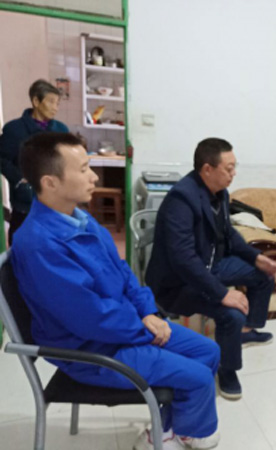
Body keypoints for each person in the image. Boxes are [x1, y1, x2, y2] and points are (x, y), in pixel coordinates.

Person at [11, 133, 220, 450]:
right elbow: (89, 317)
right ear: (50, 182)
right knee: (200, 378)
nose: (94, 177)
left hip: (121, 329)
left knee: (208, 352)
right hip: (90, 349)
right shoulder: (39, 245)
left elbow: (122, 272)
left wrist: (148, 312)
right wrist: (144, 329)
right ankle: (165, 436)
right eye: (83, 169)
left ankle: (171, 430)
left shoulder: (80, 219)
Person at [146, 138, 276, 401]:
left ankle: (245, 332)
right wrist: (222, 293)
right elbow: (183, 260)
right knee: (231, 313)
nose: (234, 173)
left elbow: (228, 234)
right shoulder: (181, 199)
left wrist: (255, 258)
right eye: (229, 168)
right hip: (180, 282)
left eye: (234, 167)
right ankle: (227, 369)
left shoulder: (221, 193)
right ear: (207, 169)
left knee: (264, 275)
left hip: (211, 265)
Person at [0, 80, 68, 243]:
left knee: (54, 245)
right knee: (22, 244)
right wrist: (19, 180)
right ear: (36, 101)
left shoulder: (61, 130)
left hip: (55, 201)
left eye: (57, 103)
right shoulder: (14, 130)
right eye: (51, 102)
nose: (55, 107)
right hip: (25, 202)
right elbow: (2, 159)